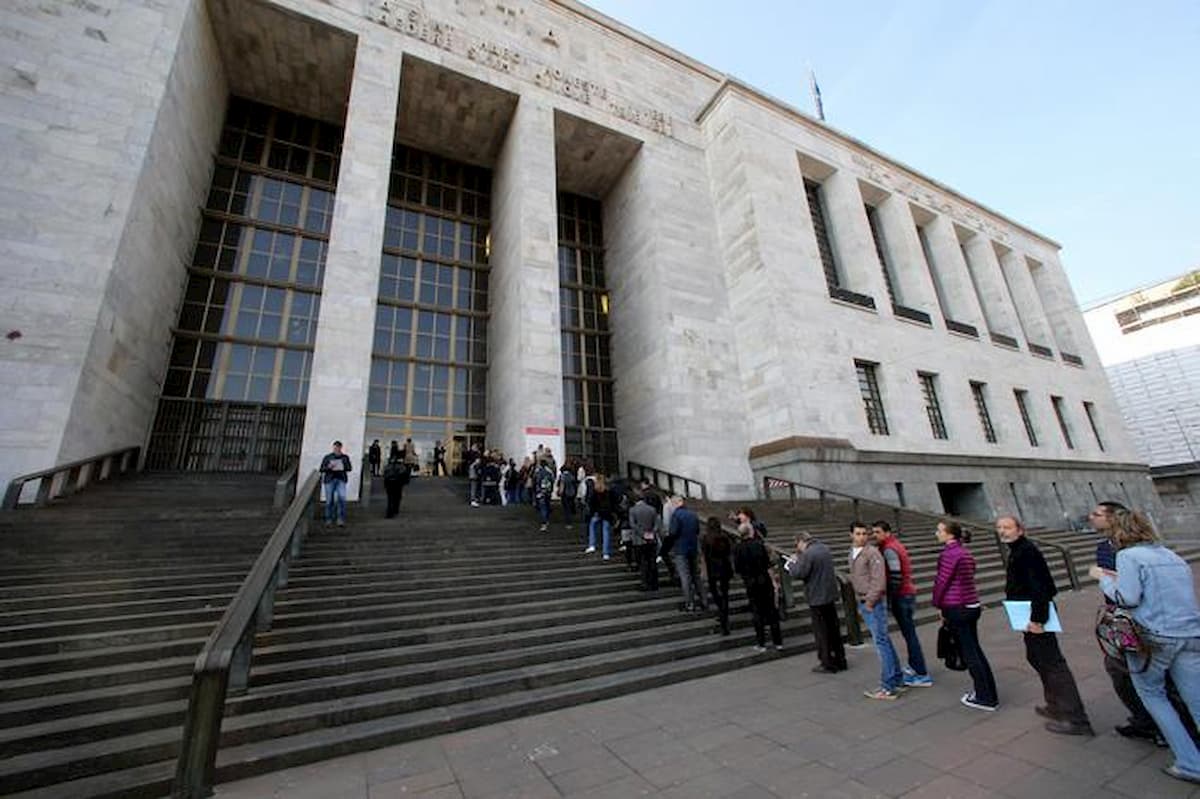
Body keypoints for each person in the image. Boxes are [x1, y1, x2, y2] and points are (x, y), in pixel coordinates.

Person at [1092, 509, 1200, 785]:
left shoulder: (1128, 556)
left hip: (1155, 637)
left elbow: (1127, 597)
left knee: (1153, 694)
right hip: (1189, 633)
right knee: (1196, 699)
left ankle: (1190, 763)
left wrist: (1103, 578)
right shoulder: (1172, 556)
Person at [998, 514, 1093, 735]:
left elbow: (1041, 587)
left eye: (1007, 527)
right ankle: (1055, 704)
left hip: (1035, 615)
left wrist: (1037, 619)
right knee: (1037, 658)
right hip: (1028, 614)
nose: (1002, 531)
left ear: (1020, 530)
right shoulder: (1018, 551)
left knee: (1052, 663)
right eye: (1000, 527)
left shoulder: (1026, 552)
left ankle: (1075, 718)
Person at [932, 520, 997, 711]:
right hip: (971, 604)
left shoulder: (949, 554)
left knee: (970, 653)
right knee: (975, 650)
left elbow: (942, 581)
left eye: (939, 530)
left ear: (949, 534)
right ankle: (988, 693)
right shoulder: (965, 553)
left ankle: (985, 697)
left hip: (956, 607)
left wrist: (938, 604)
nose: (936, 533)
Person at [873, 520, 932, 688]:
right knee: (909, 633)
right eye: (874, 532)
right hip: (907, 593)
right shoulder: (895, 545)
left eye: (878, 532)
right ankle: (916, 667)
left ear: (887, 532)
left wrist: (891, 597)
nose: (874, 535)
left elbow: (896, 575)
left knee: (909, 634)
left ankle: (921, 673)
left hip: (902, 595)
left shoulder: (889, 549)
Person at [850, 521, 903, 700]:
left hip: (872, 602)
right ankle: (896, 678)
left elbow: (879, 580)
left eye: (864, 533)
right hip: (863, 599)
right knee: (883, 640)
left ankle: (888, 686)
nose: (862, 537)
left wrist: (870, 602)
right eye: (858, 534)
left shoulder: (872, 552)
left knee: (881, 642)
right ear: (851, 535)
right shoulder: (853, 552)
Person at [784, 531, 845, 672]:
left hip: (817, 597)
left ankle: (827, 662)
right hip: (829, 594)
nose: (797, 548)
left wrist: (791, 564)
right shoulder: (824, 548)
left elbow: (800, 573)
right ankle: (840, 659)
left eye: (797, 545)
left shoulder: (808, 554)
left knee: (822, 632)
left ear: (801, 541)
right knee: (833, 629)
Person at [734, 520, 782, 652]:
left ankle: (761, 643)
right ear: (751, 532)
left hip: (750, 582)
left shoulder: (737, 548)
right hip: (764, 580)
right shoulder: (759, 545)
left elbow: (737, 568)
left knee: (757, 612)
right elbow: (767, 563)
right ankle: (778, 641)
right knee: (771, 611)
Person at [667, 496, 706, 612]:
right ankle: (704, 601)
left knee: (685, 577)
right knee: (696, 576)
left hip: (680, 549)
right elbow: (697, 530)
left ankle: (690, 603)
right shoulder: (693, 514)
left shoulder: (676, 515)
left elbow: (673, 532)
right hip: (693, 548)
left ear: (675, 503)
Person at [701, 517, 733, 635]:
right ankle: (724, 615)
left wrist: (704, 570)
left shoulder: (706, 539)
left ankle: (721, 612)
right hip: (724, 567)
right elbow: (729, 552)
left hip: (712, 569)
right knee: (725, 594)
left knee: (715, 592)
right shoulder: (725, 537)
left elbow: (704, 555)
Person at [629, 490, 662, 591]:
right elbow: (657, 523)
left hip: (639, 540)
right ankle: (654, 583)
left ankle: (645, 583)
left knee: (643, 562)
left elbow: (633, 525)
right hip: (651, 539)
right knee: (652, 561)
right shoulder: (652, 509)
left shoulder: (632, 510)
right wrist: (652, 533)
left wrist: (643, 534)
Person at [319, 440, 352, 528]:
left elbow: (349, 468)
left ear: (341, 448)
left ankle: (340, 519)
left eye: (338, 448)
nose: (336, 449)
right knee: (329, 500)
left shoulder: (345, 457)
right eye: (335, 448)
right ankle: (328, 519)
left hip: (341, 479)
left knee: (342, 499)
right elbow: (321, 469)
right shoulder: (328, 457)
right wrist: (329, 467)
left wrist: (343, 466)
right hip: (330, 480)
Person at [584, 473, 614, 558]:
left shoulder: (595, 491)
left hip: (597, 513)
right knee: (606, 532)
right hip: (607, 513)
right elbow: (613, 502)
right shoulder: (608, 491)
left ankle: (592, 544)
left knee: (592, 527)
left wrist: (592, 512)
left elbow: (591, 503)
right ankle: (606, 552)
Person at [382, 452, 410, 518]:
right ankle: (394, 510)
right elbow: (404, 475)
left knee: (390, 498)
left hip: (389, 483)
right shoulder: (401, 466)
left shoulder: (388, 466)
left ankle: (390, 512)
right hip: (397, 483)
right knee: (397, 497)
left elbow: (385, 475)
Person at [533, 458, 556, 533]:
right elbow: (553, 480)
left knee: (543, 507)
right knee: (547, 505)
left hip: (540, 491)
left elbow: (535, 480)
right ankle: (547, 519)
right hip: (548, 491)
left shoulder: (538, 471)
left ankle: (544, 523)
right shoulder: (550, 471)